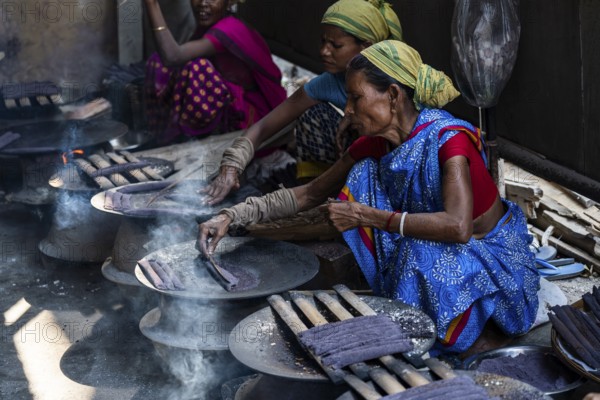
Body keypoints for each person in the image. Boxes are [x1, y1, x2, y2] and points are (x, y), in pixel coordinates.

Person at [197, 40, 540, 354]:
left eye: (355, 98)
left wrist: (366, 217)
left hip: (490, 256)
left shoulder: (449, 142)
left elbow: (458, 227)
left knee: (418, 254)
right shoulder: (375, 143)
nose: (346, 110)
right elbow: (311, 193)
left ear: (392, 95)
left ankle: (460, 336)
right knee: (363, 176)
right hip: (429, 243)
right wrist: (232, 216)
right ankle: (410, 315)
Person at [202, 0, 402, 205]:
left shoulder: (393, 80)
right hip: (352, 160)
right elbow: (264, 127)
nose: (324, 51)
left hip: (394, 168)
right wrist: (232, 164)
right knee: (313, 114)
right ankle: (314, 196)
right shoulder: (328, 83)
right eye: (323, 41)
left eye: (336, 45)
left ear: (366, 47)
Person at [144, 0, 287, 144]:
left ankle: (197, 137)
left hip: (255, 121)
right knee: (157, 62)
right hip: (230, 104)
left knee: (197, 69)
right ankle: (171, 135)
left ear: (229, 2)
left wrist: (151, 4)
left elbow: (172, 56)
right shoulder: (211, 26)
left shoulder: (230, 28)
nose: (202, 3)